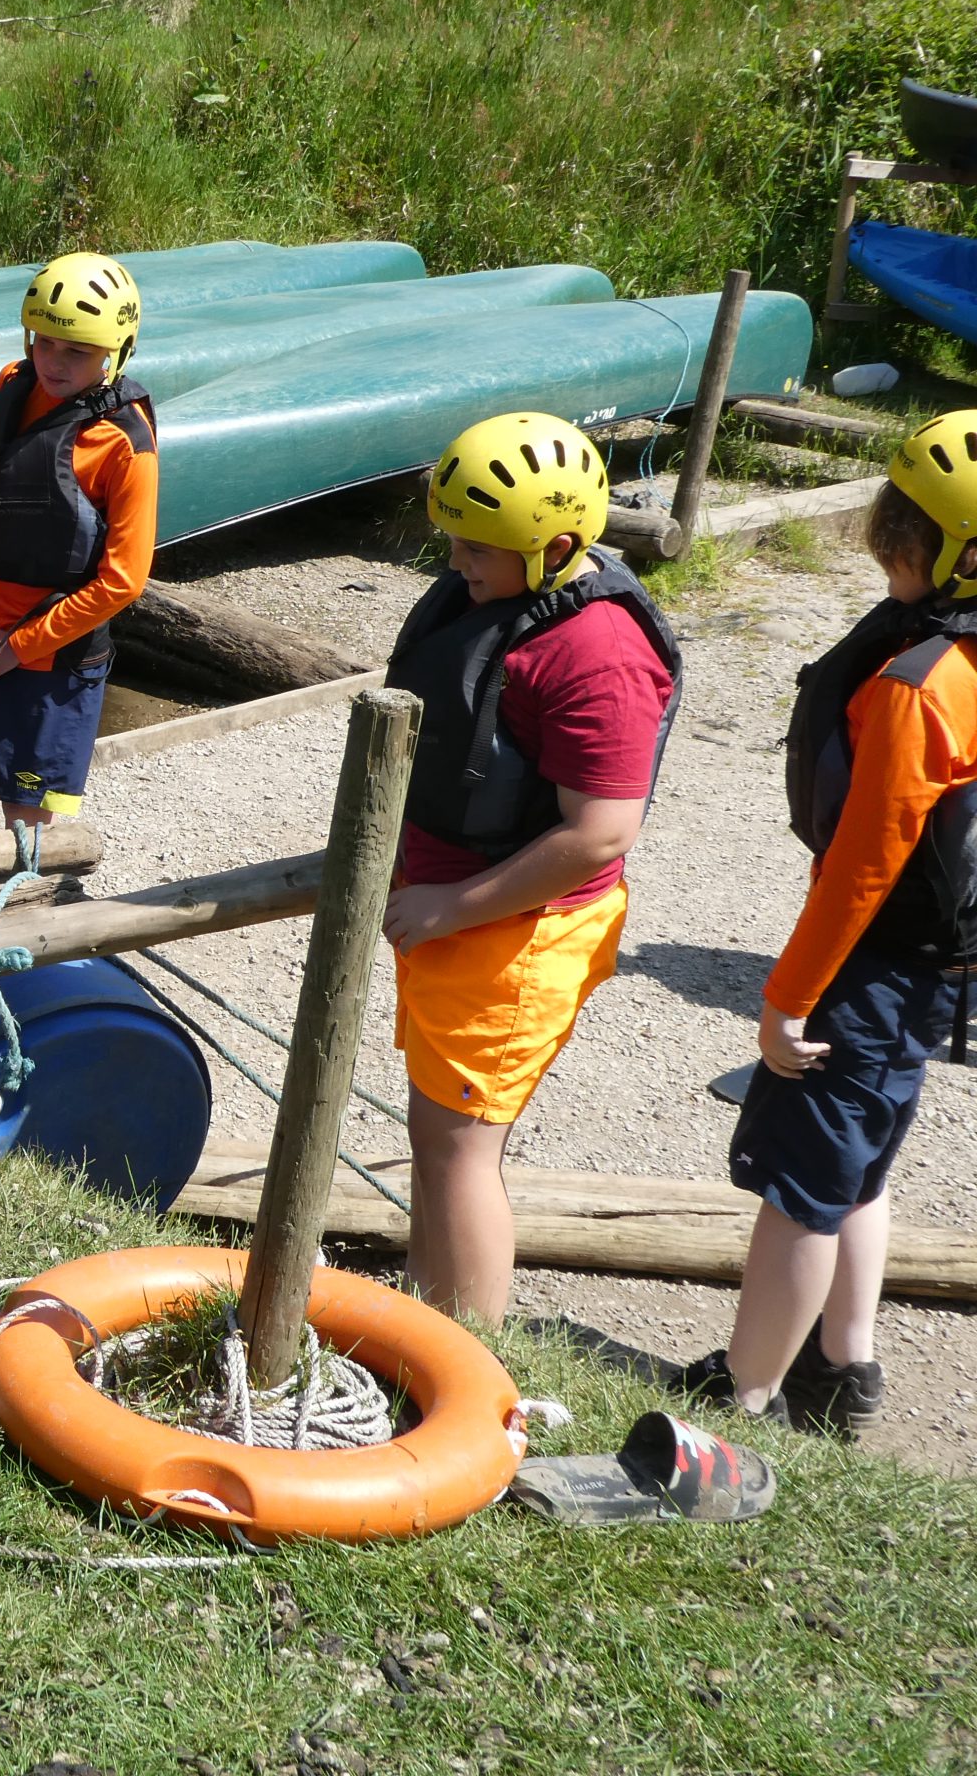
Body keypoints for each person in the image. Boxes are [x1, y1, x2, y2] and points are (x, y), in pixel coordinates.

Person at [679, 412, 977, 1436]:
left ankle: (748, 1392)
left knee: (801, 1189)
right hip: (931, 974)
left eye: (905, 530)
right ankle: (841, 1373)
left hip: (872, 969)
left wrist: (787, 998)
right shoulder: (953, 654)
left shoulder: (923, 687)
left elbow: (860, 869)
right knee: (861, 1167)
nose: (884, 542)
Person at [380, 412, 681, 1327]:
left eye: (480, 547)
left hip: (511, 936)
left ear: (554, 547)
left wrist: (448, 907)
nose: (459, 560)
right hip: (457, 920)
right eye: (455, 538)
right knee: (435, 1139)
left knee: (461, 1152)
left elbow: (599, 832)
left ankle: (467, 1364)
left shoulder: (597, 654)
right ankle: (425, 1319)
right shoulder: (486, 596)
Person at [0, 251, 157, 828]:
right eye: (42, 342)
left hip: (47, 661)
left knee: (25, 815)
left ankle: (19, 906)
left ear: (116, 353)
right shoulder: (10, 386)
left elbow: (124, 579)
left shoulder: (124, 446)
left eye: (77, 351)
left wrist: (18, 646)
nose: (53, 362)